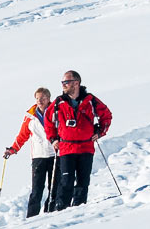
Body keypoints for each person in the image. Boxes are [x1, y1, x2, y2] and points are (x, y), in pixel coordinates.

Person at [44, 70, 113, 211]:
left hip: (86, 147)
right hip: (66, 148)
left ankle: (79, 211)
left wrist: (100, 131)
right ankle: (61, 210)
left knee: (83, 181)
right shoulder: (59, 102)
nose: (63, 85)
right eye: (63, 82)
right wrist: (53, 139)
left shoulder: (90, 100)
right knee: (66, 181)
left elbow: (106, 115)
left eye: (66, 82)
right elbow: (48, 122)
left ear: (76, 83)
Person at [3, 87, 58, 218]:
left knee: (53, 188)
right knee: (36, 190)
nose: (40, 101)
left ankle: (49, 214)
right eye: (38, 98)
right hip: (38, 156)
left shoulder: (56, 111)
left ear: (49, 99)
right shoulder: (30, 116)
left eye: (43, 98)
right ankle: (31, 217)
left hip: (55, 154)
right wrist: (13, 149)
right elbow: (23, 135)